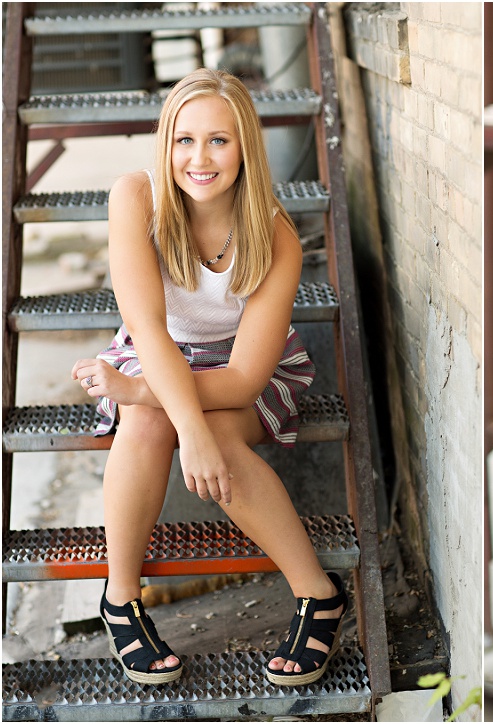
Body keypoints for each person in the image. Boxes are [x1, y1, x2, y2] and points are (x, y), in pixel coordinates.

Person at [72, 68, 350, 687]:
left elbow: (247, 378)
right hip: (159, 348)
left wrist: (170, 413)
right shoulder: (135, 198)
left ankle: (318, 594)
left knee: (205, 433)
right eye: (184, 140)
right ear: (165, 143)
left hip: (242, 367)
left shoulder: (276, 237)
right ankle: (122, 598)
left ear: (245, 147)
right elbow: (147, 328)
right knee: (146, 423)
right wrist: (171, 414)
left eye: (219, 141)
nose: (200, 158)